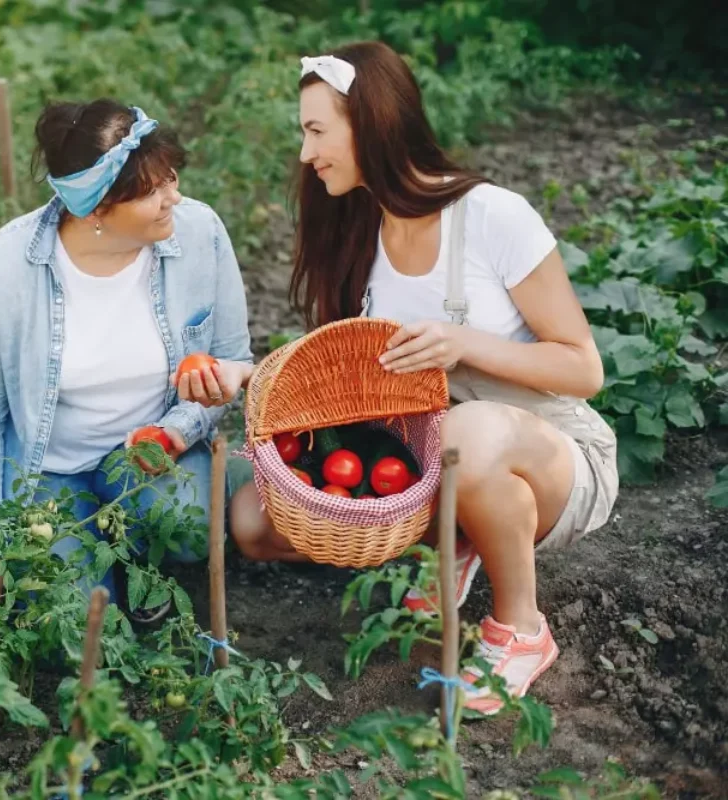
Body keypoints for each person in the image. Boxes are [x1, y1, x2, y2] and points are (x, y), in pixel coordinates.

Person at [176, 41, 618, 713]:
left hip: (554, 457)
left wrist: (461, 343)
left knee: (462, 434)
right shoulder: (364, 233)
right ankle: (457, 535)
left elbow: (583, 367)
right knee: (253, 522)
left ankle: (522, 628)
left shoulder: (492, 216)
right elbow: (351, 377)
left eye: (317, 131)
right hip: (431, 460)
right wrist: (247, 374)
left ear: (372, 123)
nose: (305, 153)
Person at [0, 98, 252, 612]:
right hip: (46, 468)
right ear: (95, 209)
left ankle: (129, 547)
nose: (174, 197)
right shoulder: (7, 266)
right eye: (152, 190)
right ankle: (92, 556)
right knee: (68, 614)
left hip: (145, 459)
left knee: (190, 526)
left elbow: (230, 357)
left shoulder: (201, 235)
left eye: (170, 177)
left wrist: (177, 429)